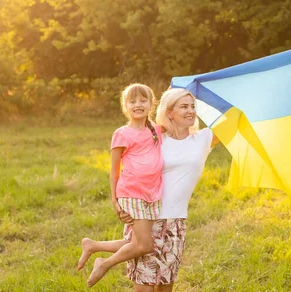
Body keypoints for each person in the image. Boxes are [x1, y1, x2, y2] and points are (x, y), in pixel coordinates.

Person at [77, 88, 217, 291]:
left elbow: (233, 121)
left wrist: (205, 89)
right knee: (144, 283)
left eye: (192, 107)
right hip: (146, 209)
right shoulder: (156, 136)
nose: (190, 111)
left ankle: (94, 246)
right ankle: (101, 259)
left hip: (175, 221)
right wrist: (118, 201)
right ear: (169, 112)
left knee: (164, 285)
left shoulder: (200, 138)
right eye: (183, 106)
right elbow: (125, 166)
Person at [78, 83, 164, 288]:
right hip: (131, 192)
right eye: (132, 101)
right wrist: (115, 201)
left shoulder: (157, 131)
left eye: (143, 100)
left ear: (152, 104)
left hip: (153, 194)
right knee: (145, 244)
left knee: (135, 242)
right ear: (125, 106)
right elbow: (114, 169)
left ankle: (93, 245)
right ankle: (104, 263)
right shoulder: (121, 133)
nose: (138, 104)